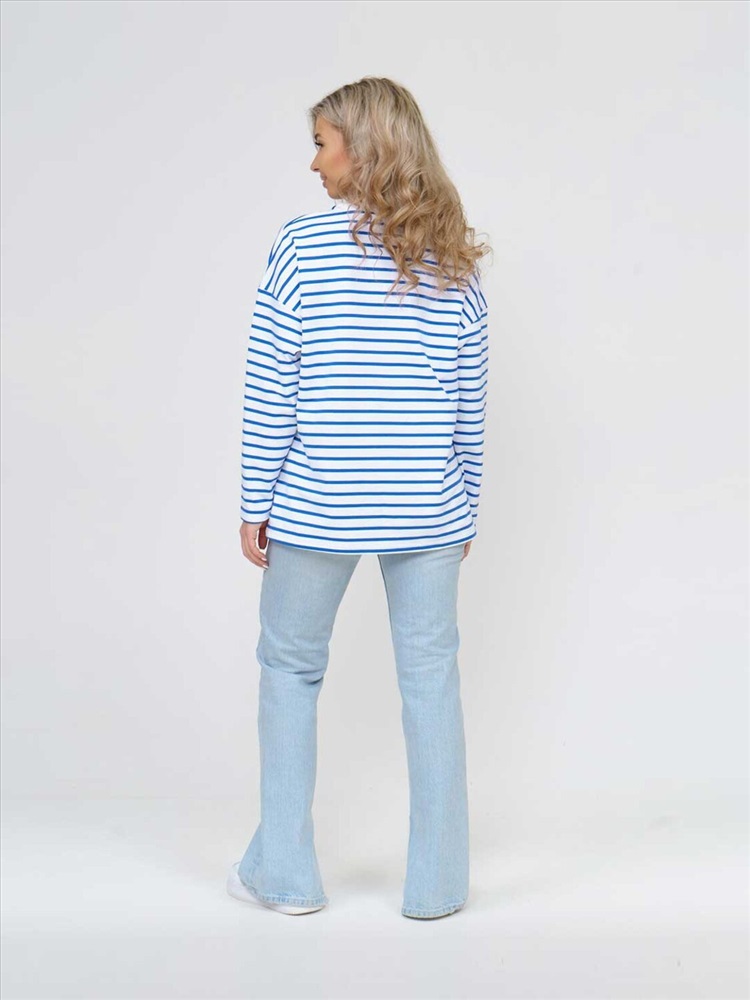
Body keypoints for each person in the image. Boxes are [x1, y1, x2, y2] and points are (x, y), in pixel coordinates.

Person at [226, 76, 490, 919]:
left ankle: (286, 876)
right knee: (431, 681)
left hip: (318, 504)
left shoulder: (301, 247)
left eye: (322, 144)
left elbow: (272, 384)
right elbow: (468, 401)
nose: (314, 164)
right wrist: (465, 503)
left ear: (363, 148)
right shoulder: (453, 259)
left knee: (289, 671)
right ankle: (438, 886)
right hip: (428, 509)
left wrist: (254, 499)